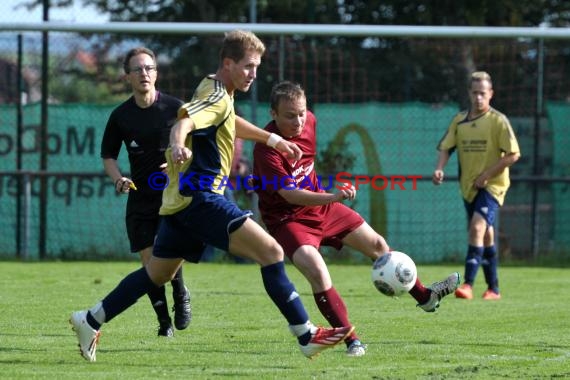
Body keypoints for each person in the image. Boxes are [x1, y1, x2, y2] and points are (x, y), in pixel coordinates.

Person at [70, 30, 352, 362]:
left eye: (257, 67)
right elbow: (185, 121)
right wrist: (177, 142)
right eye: (248, 66)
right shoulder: (216, 96)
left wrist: (273, 141)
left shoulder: (215, 89)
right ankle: (306, 335)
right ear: (228, 63)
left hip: (180, 203)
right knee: (272, 252)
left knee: (157, 274)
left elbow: (228, 122)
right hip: (202, 198)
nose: (253, 74)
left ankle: (90, 319)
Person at [252, 80, 461, 357]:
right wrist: (333, 197)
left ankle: (426, 297)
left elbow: (307, 176)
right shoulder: (265, 150)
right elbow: (290, 196)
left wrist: (329, 199)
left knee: (378, 245)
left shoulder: (309, 122)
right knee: (316, 269)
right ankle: (352, 340)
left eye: (302, 112)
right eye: (290, 115)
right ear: (273, 114)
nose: (298, 120)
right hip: (287, 219)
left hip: (321, 208)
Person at [100, 47, 191, 337]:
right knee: (149, 264)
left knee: (170, 257)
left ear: (157, 73)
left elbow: (198, 145)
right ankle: (164, 323)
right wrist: (118, 180)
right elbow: (108, 156)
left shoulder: (176, 108)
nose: (144, 74)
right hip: (140, 198)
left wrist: (181, 160)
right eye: (138, 69)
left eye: (149, 68)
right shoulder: (121, 116)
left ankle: (181, 293)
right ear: (127, 75)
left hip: (172, 197)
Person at [432, 71, 521, 300]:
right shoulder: (460, 120)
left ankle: (468, 284)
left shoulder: (498, 121)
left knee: (477, 229)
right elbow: (446, 146)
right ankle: (494, 289)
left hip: (492, 186)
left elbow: (512, 155)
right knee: (487, 235)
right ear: (469, 94)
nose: (479, 98)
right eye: (475, 93)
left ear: (491, 94)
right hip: (469, 187)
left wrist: (487, 175)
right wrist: (440, 167)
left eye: (483, 93)